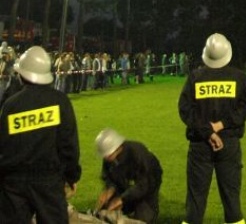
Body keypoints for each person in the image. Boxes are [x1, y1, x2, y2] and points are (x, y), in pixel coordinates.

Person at [178, 33, 246, 224]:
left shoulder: (195, 77)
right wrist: (221, 126)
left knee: (195, 201)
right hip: (229, 144)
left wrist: (208, 132)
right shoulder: (240, 78)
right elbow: (245, 109)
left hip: (200, 145)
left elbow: (186, 110)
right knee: (232, 200)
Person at [0, 45, 81, 224]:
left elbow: (3, 146)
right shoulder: (60, 102)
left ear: (22, 74)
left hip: (14, 183)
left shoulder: (11, 105)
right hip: (49, 182)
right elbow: (68, 145)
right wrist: (71, 175)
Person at [94, 127, 163, 223]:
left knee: (143, 219)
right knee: (104, 210)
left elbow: (144, 185)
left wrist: (122, 199)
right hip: (128, 185)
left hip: (147, 187)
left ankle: (149, 206)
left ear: (118, 148)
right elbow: (109, 177)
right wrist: (109, 190)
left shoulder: (138, 154)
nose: (106, 158)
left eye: (108, 155)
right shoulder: (109, 158)